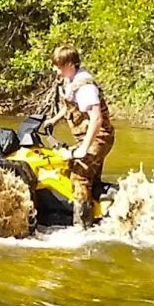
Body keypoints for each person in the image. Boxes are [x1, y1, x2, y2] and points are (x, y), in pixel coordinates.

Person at [45, 44, 115, 229]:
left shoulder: (85, 87)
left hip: (99, 137)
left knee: (79, 177)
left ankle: (82, 229)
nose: (55, 70)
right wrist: (54, 120)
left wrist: (84, 148)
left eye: (58, 66)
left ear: (69, 64)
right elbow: (69, 107)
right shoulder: (70, 81)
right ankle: (104, 214)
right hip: (86, 138)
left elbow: (97, 119)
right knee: (89, 178)